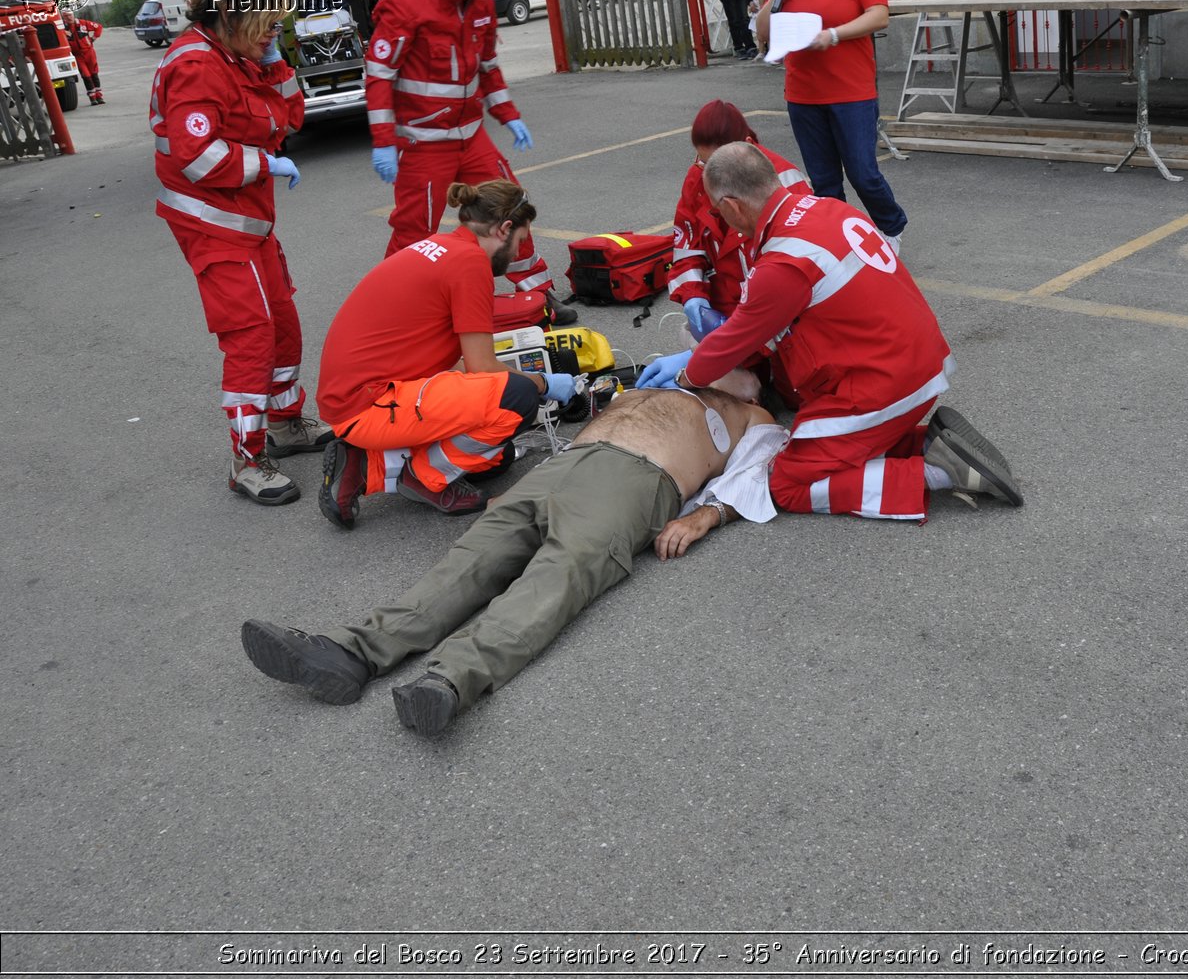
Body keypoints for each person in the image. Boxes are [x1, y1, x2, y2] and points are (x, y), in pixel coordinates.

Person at [241, 373, 785, 736]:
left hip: (638, 482)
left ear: (756, 386)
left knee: (556, 578)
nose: (718, 351)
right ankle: (349, 653)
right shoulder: (667, 382)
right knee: (467, 564)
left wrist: (702, 517)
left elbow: (758, 474)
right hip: (563, 465)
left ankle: (450, 680)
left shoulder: (751, 417)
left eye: (738, 355)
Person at [639, 143, 1022, 521]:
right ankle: (930, 444)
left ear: (733, 207)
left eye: (719, 212)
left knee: (786, 482)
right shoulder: (826, 208)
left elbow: (739, 337)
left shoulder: (783, 262)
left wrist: (686, 372)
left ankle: (937, 472)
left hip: (883, 384)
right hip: (916, 363)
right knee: (819, 446)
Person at [151, 0, 334, 505]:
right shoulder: (195, 66)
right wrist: (264, 163)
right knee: (252, 336)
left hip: (246, 222)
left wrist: (275, 56)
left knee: (283, 321)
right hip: (214, 227)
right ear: (232, 18)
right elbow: (199, 156)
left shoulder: (237, 57)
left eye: (279, 24)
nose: (273, 31)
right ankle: (247, 460)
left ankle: (284, 424)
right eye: (268, 23)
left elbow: (289, 114)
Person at [316, 180, 578, 528]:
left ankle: (366, 461)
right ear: (504, 229)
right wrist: (544, 383)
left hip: (357, 396)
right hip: (368, 404)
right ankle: (421, 477)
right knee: (517, 399)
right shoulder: (471, 264)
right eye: (519, 242)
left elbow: (457, 361)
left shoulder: (442, 246)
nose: (517, 255)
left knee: (496, 460)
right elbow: (483, 368)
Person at [363, 0, 574, 326]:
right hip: (423, 143)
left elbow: (489, 68)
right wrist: (383, 140)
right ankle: (396, 307)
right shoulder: (403, 6)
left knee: (513, 207)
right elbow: (379, 76)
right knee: (414, 230)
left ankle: (538, 293)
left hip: (470, 136)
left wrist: (509, 116)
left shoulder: (479, 2)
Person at [756, 0, 907, 250]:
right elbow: (763, 32)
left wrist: (833, 35)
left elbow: (879, 14)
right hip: (803, 95)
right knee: (824, 181)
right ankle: (839, 242)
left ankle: (891, 227)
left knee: (863, 174)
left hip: (851, 92)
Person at [669, 100, 810, 341]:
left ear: (745, 147)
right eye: (703, 162)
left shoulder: (788, 185)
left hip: (779, 315)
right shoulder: (697, 178)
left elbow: (800, 279)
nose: (709, 175)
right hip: (730, 307)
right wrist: (694, 298)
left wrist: (740, 343)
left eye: (717, 165)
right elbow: (686, 249)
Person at [62, 10, 104, 105]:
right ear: (63, 17)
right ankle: (92, 97)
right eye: (66, 16)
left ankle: (99, 96)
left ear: (73, 15)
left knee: (94, 74)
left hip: (89, 53)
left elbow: (99, 27)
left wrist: (93, 38)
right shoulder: (62, 28)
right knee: (86, 76)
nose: (69, 17)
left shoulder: (83, 23)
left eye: (70, 15)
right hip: (77, 55)